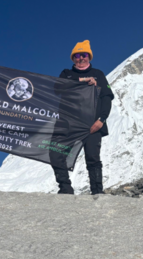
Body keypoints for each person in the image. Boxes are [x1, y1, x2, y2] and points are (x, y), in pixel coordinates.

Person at [52, 40, 114, 195]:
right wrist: (84, 80)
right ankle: (65, 188)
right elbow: (58, 87)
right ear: (73, 58)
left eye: (84, 55)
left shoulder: (98, 74)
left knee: (93, 158)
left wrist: (102, 119)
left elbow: (107, 98)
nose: (81, 58)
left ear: (89, 57)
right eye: (77, 55)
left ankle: (97, 192)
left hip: (92, 124)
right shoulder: (67, 74)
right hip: (68, 123)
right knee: (55, 153)